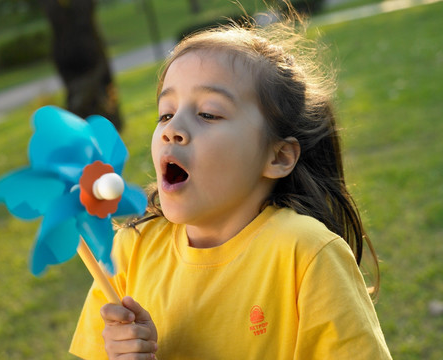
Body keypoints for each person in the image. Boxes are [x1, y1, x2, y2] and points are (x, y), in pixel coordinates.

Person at [69, 10, 392, 360]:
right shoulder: (131, 250)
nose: (171, 128)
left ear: (279, 156)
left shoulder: (306, 254)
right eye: (165, 113)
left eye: (208, 113)